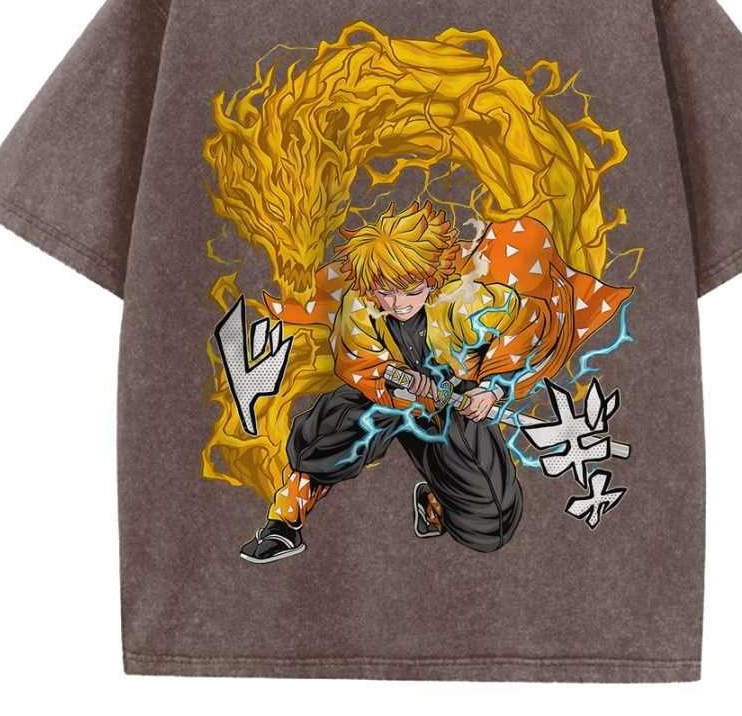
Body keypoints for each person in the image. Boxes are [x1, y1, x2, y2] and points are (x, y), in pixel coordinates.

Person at [239, 200, 583, 562]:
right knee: (326, 434)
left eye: (410, 290)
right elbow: (355, 358)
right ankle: (284, 523)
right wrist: (394, 378)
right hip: (384, 397)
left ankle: (436, 502)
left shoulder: (463, 300)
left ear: (431, 279)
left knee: (492, 518)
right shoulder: (361, 306)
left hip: (451, 399)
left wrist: (491, 387)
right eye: (385, 292)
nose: (397, 303)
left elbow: (523, 323)